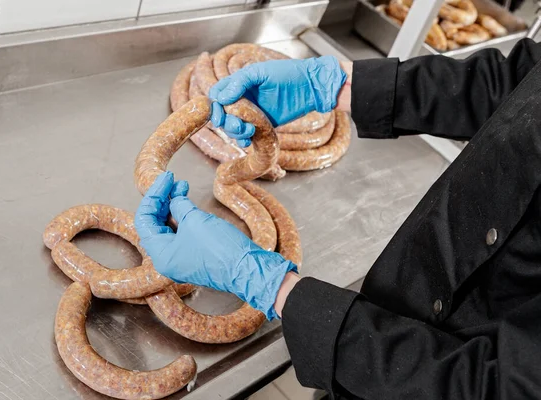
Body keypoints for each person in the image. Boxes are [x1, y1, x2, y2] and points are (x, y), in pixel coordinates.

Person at [134, 38, 541, 399]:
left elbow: (495, 388)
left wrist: (273, 288)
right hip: (394, 314)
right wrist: (340, 85)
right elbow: (521, 82)